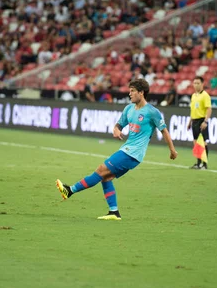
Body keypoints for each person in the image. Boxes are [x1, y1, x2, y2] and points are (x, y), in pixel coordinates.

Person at [55, 79, 178, 220]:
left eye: (132, 91)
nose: (129, 93)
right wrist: (116, 130)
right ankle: (114, 212)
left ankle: (70, 190)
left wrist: (172, 150)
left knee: (101, 170)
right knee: (106, 178)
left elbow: (164, 131)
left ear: (141, 93)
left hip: (133, 153)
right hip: (127, 149)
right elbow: (119, 125)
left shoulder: (152, 112)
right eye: (129, 90)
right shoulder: (129, 109)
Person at [186, 76, 212, 169]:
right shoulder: (193, 95)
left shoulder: (205, 95)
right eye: (194, 83)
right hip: (194, 121)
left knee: (203, 143)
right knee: (196, 143)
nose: (196, 85)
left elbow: (209, 108)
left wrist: (205, 121)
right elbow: (193, 110)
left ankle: (204, 164)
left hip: (202, 120)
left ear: (202, 84)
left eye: (198, 83)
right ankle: (198, 163)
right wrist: (190, 122)